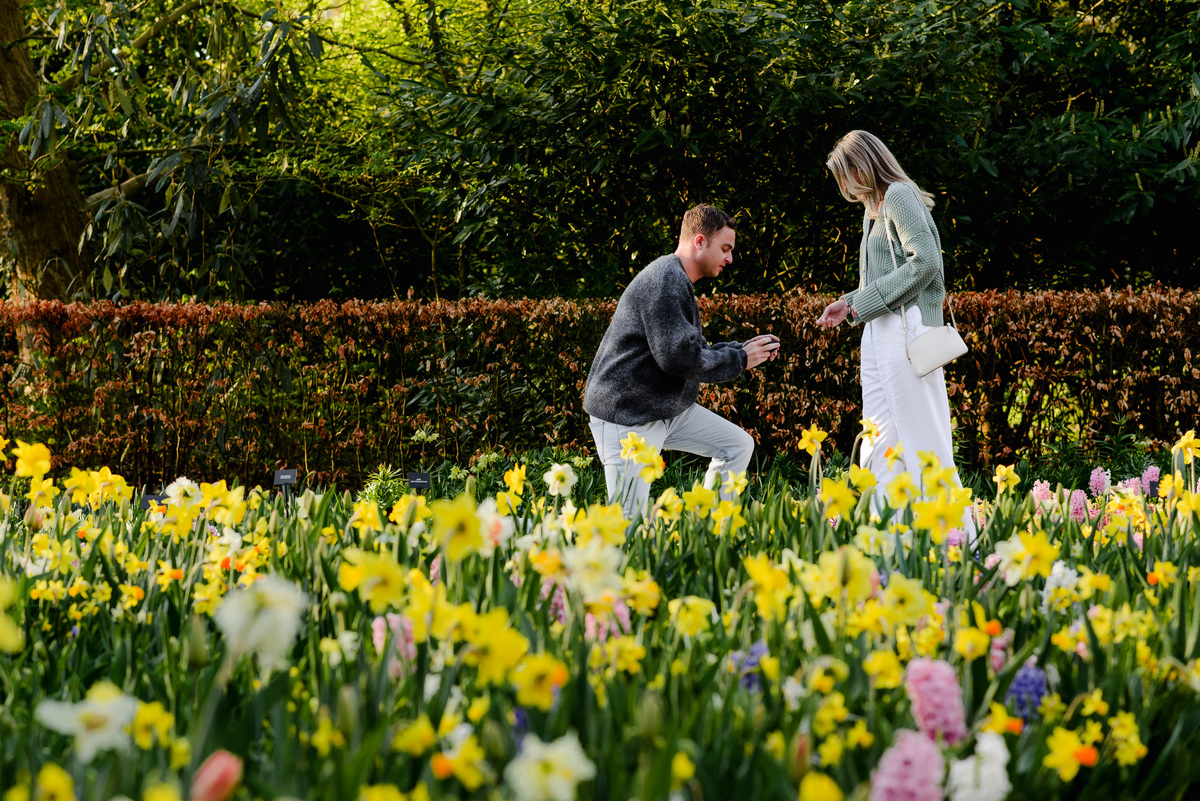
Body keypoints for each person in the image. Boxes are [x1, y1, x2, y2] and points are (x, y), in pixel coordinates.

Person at [816, 130, 976, 539]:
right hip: (879, 332)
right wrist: (848, 302)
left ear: (862, 165)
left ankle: (960, 539)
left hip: (908, 330)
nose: (845, 187)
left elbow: (925, 265)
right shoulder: (873, 208)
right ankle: (889, 539)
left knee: (923, 438)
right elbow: (884, 276)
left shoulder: (899, 196)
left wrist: (860, 304)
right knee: (879, 441)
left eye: (845, 175)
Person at [583, 204, 780, 521]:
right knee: (628, 525)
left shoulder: (677, 280)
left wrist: (739, 349)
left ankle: (707, 530)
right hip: (627, 417)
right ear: (700, 242)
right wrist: (741, 359)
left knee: (737, 446)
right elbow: (679, 358)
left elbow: (687, 347)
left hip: (663, 408)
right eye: (725, 248)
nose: (729, 258)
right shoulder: (665, 282)